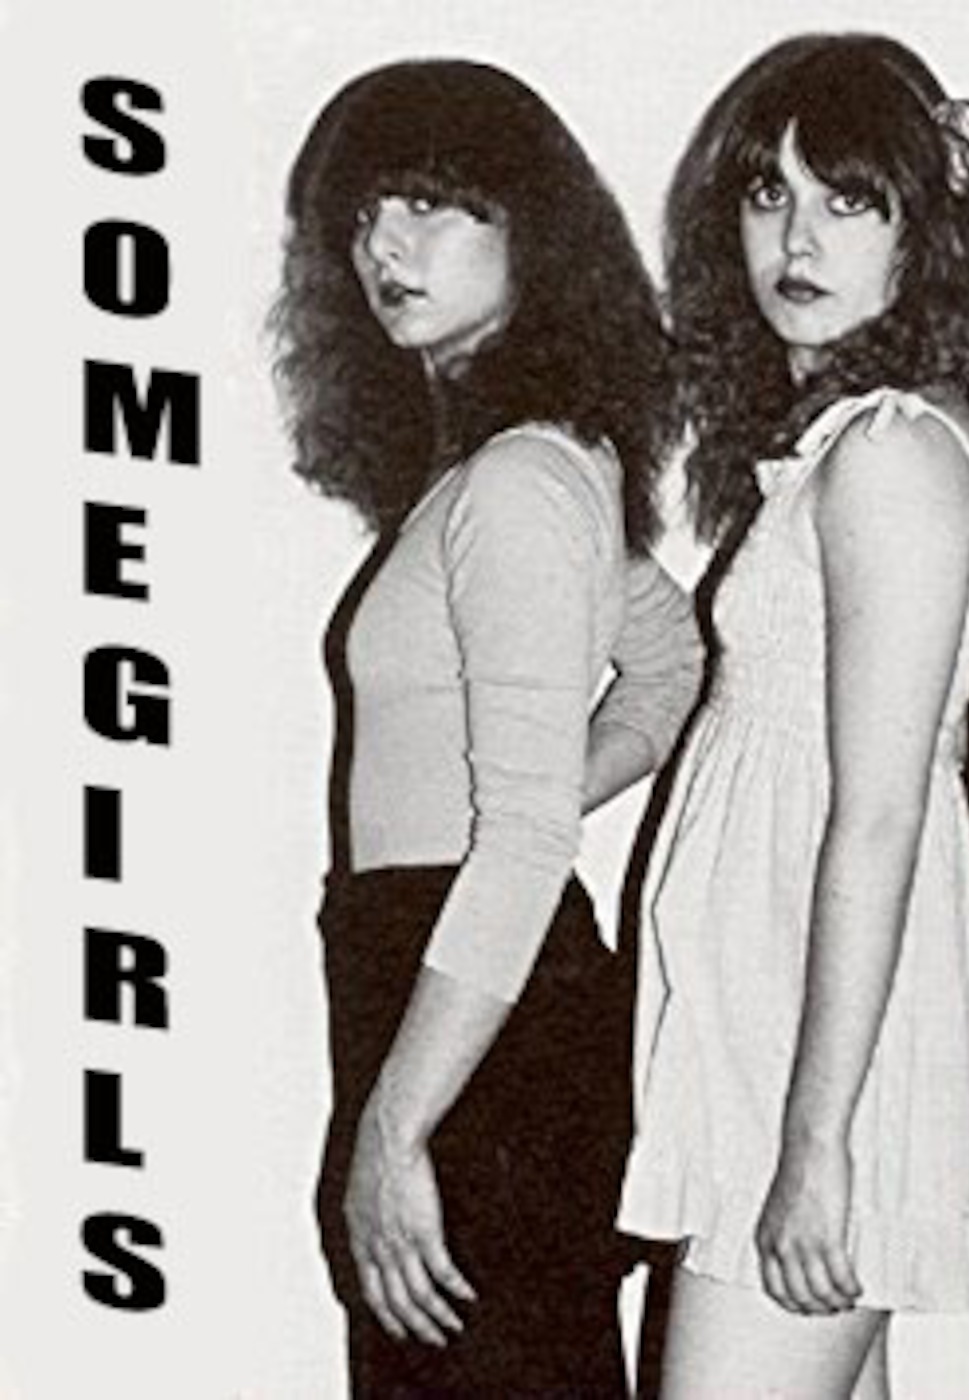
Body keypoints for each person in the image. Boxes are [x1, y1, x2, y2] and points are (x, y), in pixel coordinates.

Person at [271, 59, 703, 1397]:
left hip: (472, 1013)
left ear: (533, 229)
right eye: (363, 216)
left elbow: (521, 844)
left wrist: (393, 1129)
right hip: (458, 986)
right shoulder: (505, 471)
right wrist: (536, 795)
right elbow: (672, 660)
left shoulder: (519, 483)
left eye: (429, 204)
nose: (384, 247)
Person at [616, 34, 969, 1399]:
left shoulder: (893, 457)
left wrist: (816, 1142)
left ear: (923, 235)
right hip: (778, 1036)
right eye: (767, 194)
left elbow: (882, 814)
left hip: (820, 1063)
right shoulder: (842, 449)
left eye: (849, 201)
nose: (797, 239)